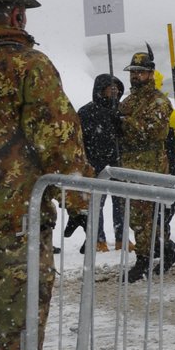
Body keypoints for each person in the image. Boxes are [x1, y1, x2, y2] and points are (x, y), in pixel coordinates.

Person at [0, 0, 89, 350]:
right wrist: (81, 201)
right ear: (16, 14)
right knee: (18, 338)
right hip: (14, 230)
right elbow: (59, 141)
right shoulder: (28, 66)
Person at [119, 48, 174, 283]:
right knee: (135, 216)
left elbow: (154, 131)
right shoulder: (128, 101)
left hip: (151, 166)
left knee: (152, 216)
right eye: (133, 72)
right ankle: (149, 253)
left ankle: (153, 254)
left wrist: (125, 124)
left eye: (140, 72)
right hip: (130, 165)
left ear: (151, 74)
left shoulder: (160, 101)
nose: (135, 76)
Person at [70, 74, 124, 250]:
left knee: (121, 202)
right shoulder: (86, 112)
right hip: (95, 164)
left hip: (117, 164)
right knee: (96, 203)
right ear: (101, 89)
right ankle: (98, 239)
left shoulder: (121, 110)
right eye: (110, 86)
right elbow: (79, 139)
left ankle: (122, 239)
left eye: (116, 86)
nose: (114, 89)